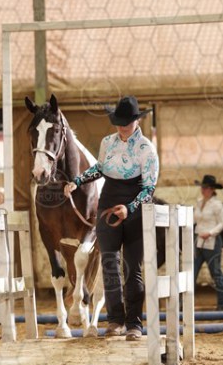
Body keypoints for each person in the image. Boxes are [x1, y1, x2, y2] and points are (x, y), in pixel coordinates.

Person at [64, 96, 159, 341]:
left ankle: (134, 324)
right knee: (109, 264)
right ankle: (115, 320)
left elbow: (149, 187)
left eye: (126, 123)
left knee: (132, 269)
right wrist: (77, 181)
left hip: (136, 206)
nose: (122, 127)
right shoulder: (107, 142)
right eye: (118, 122)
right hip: (108, 202)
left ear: (137, 122)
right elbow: (100, 168)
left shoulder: (147, 148)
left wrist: (130, 208)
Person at [193, 174, 223, 310]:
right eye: (203, 187)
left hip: (212, 242)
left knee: (216, 273)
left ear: (212, 189)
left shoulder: (217, 205)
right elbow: (195, 220)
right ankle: (183, 304)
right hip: (198, 242)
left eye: (206, 187)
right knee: (192, 273)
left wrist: (210, 233)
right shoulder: (199, 202)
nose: (203, 190)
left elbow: (222, 223)